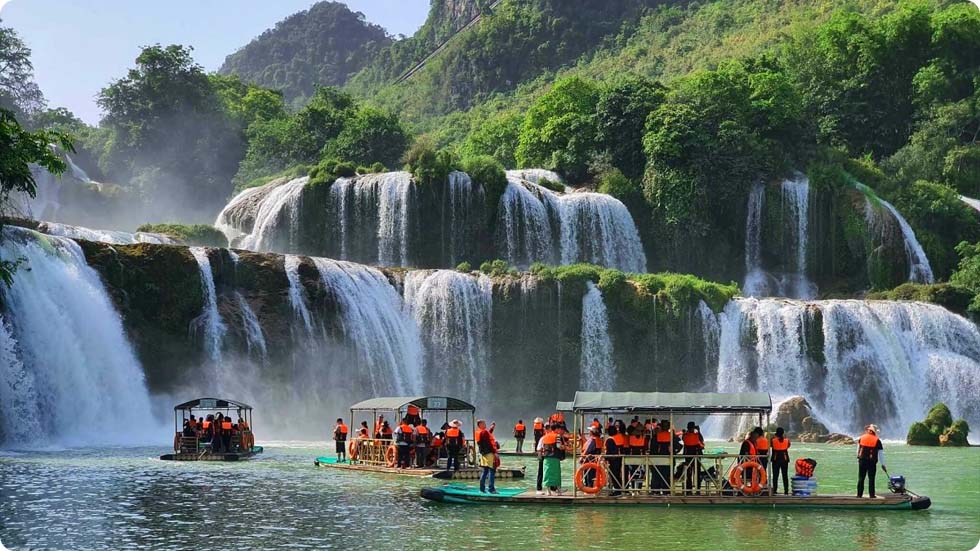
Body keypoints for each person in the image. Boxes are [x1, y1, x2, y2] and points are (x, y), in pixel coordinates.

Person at [857, 424, 886, 498]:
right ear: (874, 432)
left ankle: (859, 495)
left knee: (861, 478)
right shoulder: (877, 440)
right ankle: (872, 495)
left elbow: (858, 449)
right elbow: (881, 454)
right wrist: (883, 465)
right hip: (872, 462)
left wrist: (858, 458)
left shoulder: (862, 437)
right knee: (871, 479)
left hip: (862, 461)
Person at [538, 423, 564, 495]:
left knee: (547, 474)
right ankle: (559, 491)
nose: (560, 431)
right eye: (559, 429)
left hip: (546, 458)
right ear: (556, 429)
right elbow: (558, 446)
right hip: (555, 457)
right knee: (556, 474)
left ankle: (548, 491)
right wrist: (564, 447)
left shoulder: (545, 436)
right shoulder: (557, 436)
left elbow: (542, 447)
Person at [476, 420, 498, 493]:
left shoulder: (479, 432)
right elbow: (488, 443)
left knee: (485, 471)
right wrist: (494, 452)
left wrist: (491, 429)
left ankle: (481, 489)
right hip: (489, 454)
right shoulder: (483, 432)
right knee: (492, 471)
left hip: (484, 454)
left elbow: (486, 436)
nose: (485, 424)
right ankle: (491, 489)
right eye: (483, 423)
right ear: (480, 425)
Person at [682, 421, 704, 494]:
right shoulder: (697, 435)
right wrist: (699, 431)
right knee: (697, 474)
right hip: (696, 456)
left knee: (688, 474)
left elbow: (683, 439)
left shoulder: (685, 435)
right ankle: (698, 490)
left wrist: (685, 432)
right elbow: (701, 441)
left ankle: (689, 490)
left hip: (688, 457)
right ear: (694, 428)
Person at [770, 427, 791, 495]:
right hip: (784, 459)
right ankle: (786, 491)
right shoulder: (787, 440)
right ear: (783, 433)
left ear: (776, 433)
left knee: (775, 476)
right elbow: (788, 446)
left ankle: (775, 490)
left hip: (776, 459)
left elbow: (771, 445)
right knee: (785, 475)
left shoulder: (773, 440)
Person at [605, 425, 624, 496]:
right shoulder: (619, 437)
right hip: (619, 459)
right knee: (617, 475)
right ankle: (619, 489)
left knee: (613, 475)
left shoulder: (610, 440)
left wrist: (605, 458)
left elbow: (609, 451)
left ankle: (617, 490)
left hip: (613, 460)